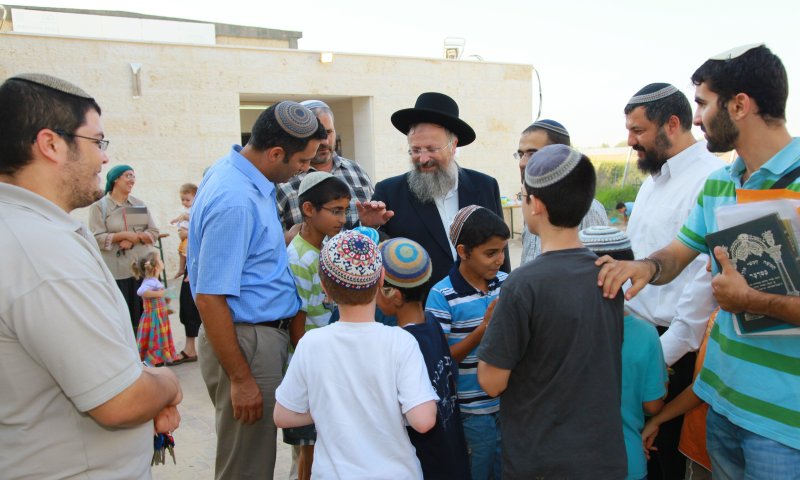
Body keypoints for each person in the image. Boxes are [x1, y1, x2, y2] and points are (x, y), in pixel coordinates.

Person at [597, 44, 800, 478]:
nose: (697, 118)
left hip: (783, 425)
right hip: (722, 403)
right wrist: (645, 268)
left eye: (703, 104)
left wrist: (754, 301)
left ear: (740, 105)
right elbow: (678, 253)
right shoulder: (721, 183)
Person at [0, 73, 181, 478]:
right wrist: (164, 382)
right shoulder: (40, 250)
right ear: (51, 144)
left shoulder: (36, 228)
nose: (103, 157)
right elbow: (118, 402)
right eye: (97, 141)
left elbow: (148, 233)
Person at [188, 101, 326, 479]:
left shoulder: (244, 175)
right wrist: (241, 378)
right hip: (246, 341)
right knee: (247, 465)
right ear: (276, 152)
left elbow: (247, 256)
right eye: (302, 161)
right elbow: (210, 296)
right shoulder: (236, 200)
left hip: (257, 337)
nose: (305, 169)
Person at [477, 145, 626, 479]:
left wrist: (492, 328)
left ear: (536, 205)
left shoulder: (523, 283)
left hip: (543, 460)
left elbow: (491, 381)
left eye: (523, 195)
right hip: (602, 456)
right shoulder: (608, 273)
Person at [622, 81, 726, 478]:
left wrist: (658, 357)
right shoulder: (651, 182)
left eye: (638, 130)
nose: (630, 140)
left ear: (673, 124)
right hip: (642, 344)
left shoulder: (710, 180)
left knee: (669, 462)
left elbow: (701, 288)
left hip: (675, 355)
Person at [274, 230, 438, 478]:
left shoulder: (311, 344)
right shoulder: (401, 342)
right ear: (382, 279)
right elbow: (423, 420)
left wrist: (328, 408)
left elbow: (283, 415)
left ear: (324, 288)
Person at [368, 92, 510, 284]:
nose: (423, 159)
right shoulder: (390, 192)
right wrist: (369, 227)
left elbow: (501, 252)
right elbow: (374, 259)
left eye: (432, 149)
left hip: (479, 308)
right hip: (419, 309)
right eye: (416, 150)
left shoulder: (485, 186)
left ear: (453, 146)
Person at [425, 205, 510, 480]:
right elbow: (442, 360)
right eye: (490, 253)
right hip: (470, 412)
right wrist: (484, 329)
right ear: (463, 252)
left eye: (502, 251)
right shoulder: (442, 296)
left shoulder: (508, 284)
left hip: (507, 406)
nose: (499, 259)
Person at [377, 237, 471, 480]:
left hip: (425, 461)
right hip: (452, 451)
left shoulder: (400, 343)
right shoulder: (432, 323)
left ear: (395, 296)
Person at [580, 226, 668, 480]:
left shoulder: (559, 329)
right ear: (628, 273)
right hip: (626, 461)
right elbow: (652, 405)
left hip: (571, 463)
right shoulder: (646, 334)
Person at [283, 171, 351, 480]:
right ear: (309, 210)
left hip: (327, 361)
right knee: (307, 456)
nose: (343, 218)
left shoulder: (322, 249)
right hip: (313, 368)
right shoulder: (298, 257)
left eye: (345, 210)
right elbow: (298, 327)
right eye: (335, 210)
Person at [515, 119, 609, 264]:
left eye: (532, 154)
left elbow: (598, 273)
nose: (522, 163)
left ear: (560, 155)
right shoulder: (531, 203)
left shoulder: (589, 210)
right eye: (521, 155)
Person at [277, 100, 374, 235]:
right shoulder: (284, 179)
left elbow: (370, 226)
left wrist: (372, 224)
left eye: (328, 132)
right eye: (315, 134)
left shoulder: (357, 172)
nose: (324, 141)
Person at [89, 164, 160, 333]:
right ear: (115, 179)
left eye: (133, 176)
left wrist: (134, 238)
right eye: (128, 176)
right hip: (117, 273)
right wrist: (122, 236)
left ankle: (147, 354)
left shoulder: (136, 204)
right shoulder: (100, 207)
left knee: (145, 318)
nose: (132, 180)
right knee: (123, 319)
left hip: (142, 271)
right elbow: (97, 238)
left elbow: (152, 232)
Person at [132, 250, 177, 367]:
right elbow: (140, 291)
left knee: (158, 341)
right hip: (154, 318)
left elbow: (162, 294)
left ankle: (157, 363)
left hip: (159, 316)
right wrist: (159, 294)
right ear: (156, 266)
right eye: (160, 260)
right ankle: (153, 365)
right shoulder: (150, 282)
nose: (162, 261)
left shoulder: (155, 281)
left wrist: (165, 298)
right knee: (155, 342)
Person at [173, 183, 200, 365]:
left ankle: (193, 349)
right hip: (191, 264)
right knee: (187, 306)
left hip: (198, 267)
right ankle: (191, 348)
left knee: (193, 307)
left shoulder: (197, 210)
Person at [171, 182, 196, 278]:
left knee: (188, 253)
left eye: (187, 200)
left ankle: (190, 273)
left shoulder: (194, 209)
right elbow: (181, 216)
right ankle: (181, 269)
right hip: (184, 234)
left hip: (190, 235)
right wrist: (176, 220)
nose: (184, 202)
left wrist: (187, 217)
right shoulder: (185, 209)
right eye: (182, 200)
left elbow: (195, 220)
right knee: (181, 251)